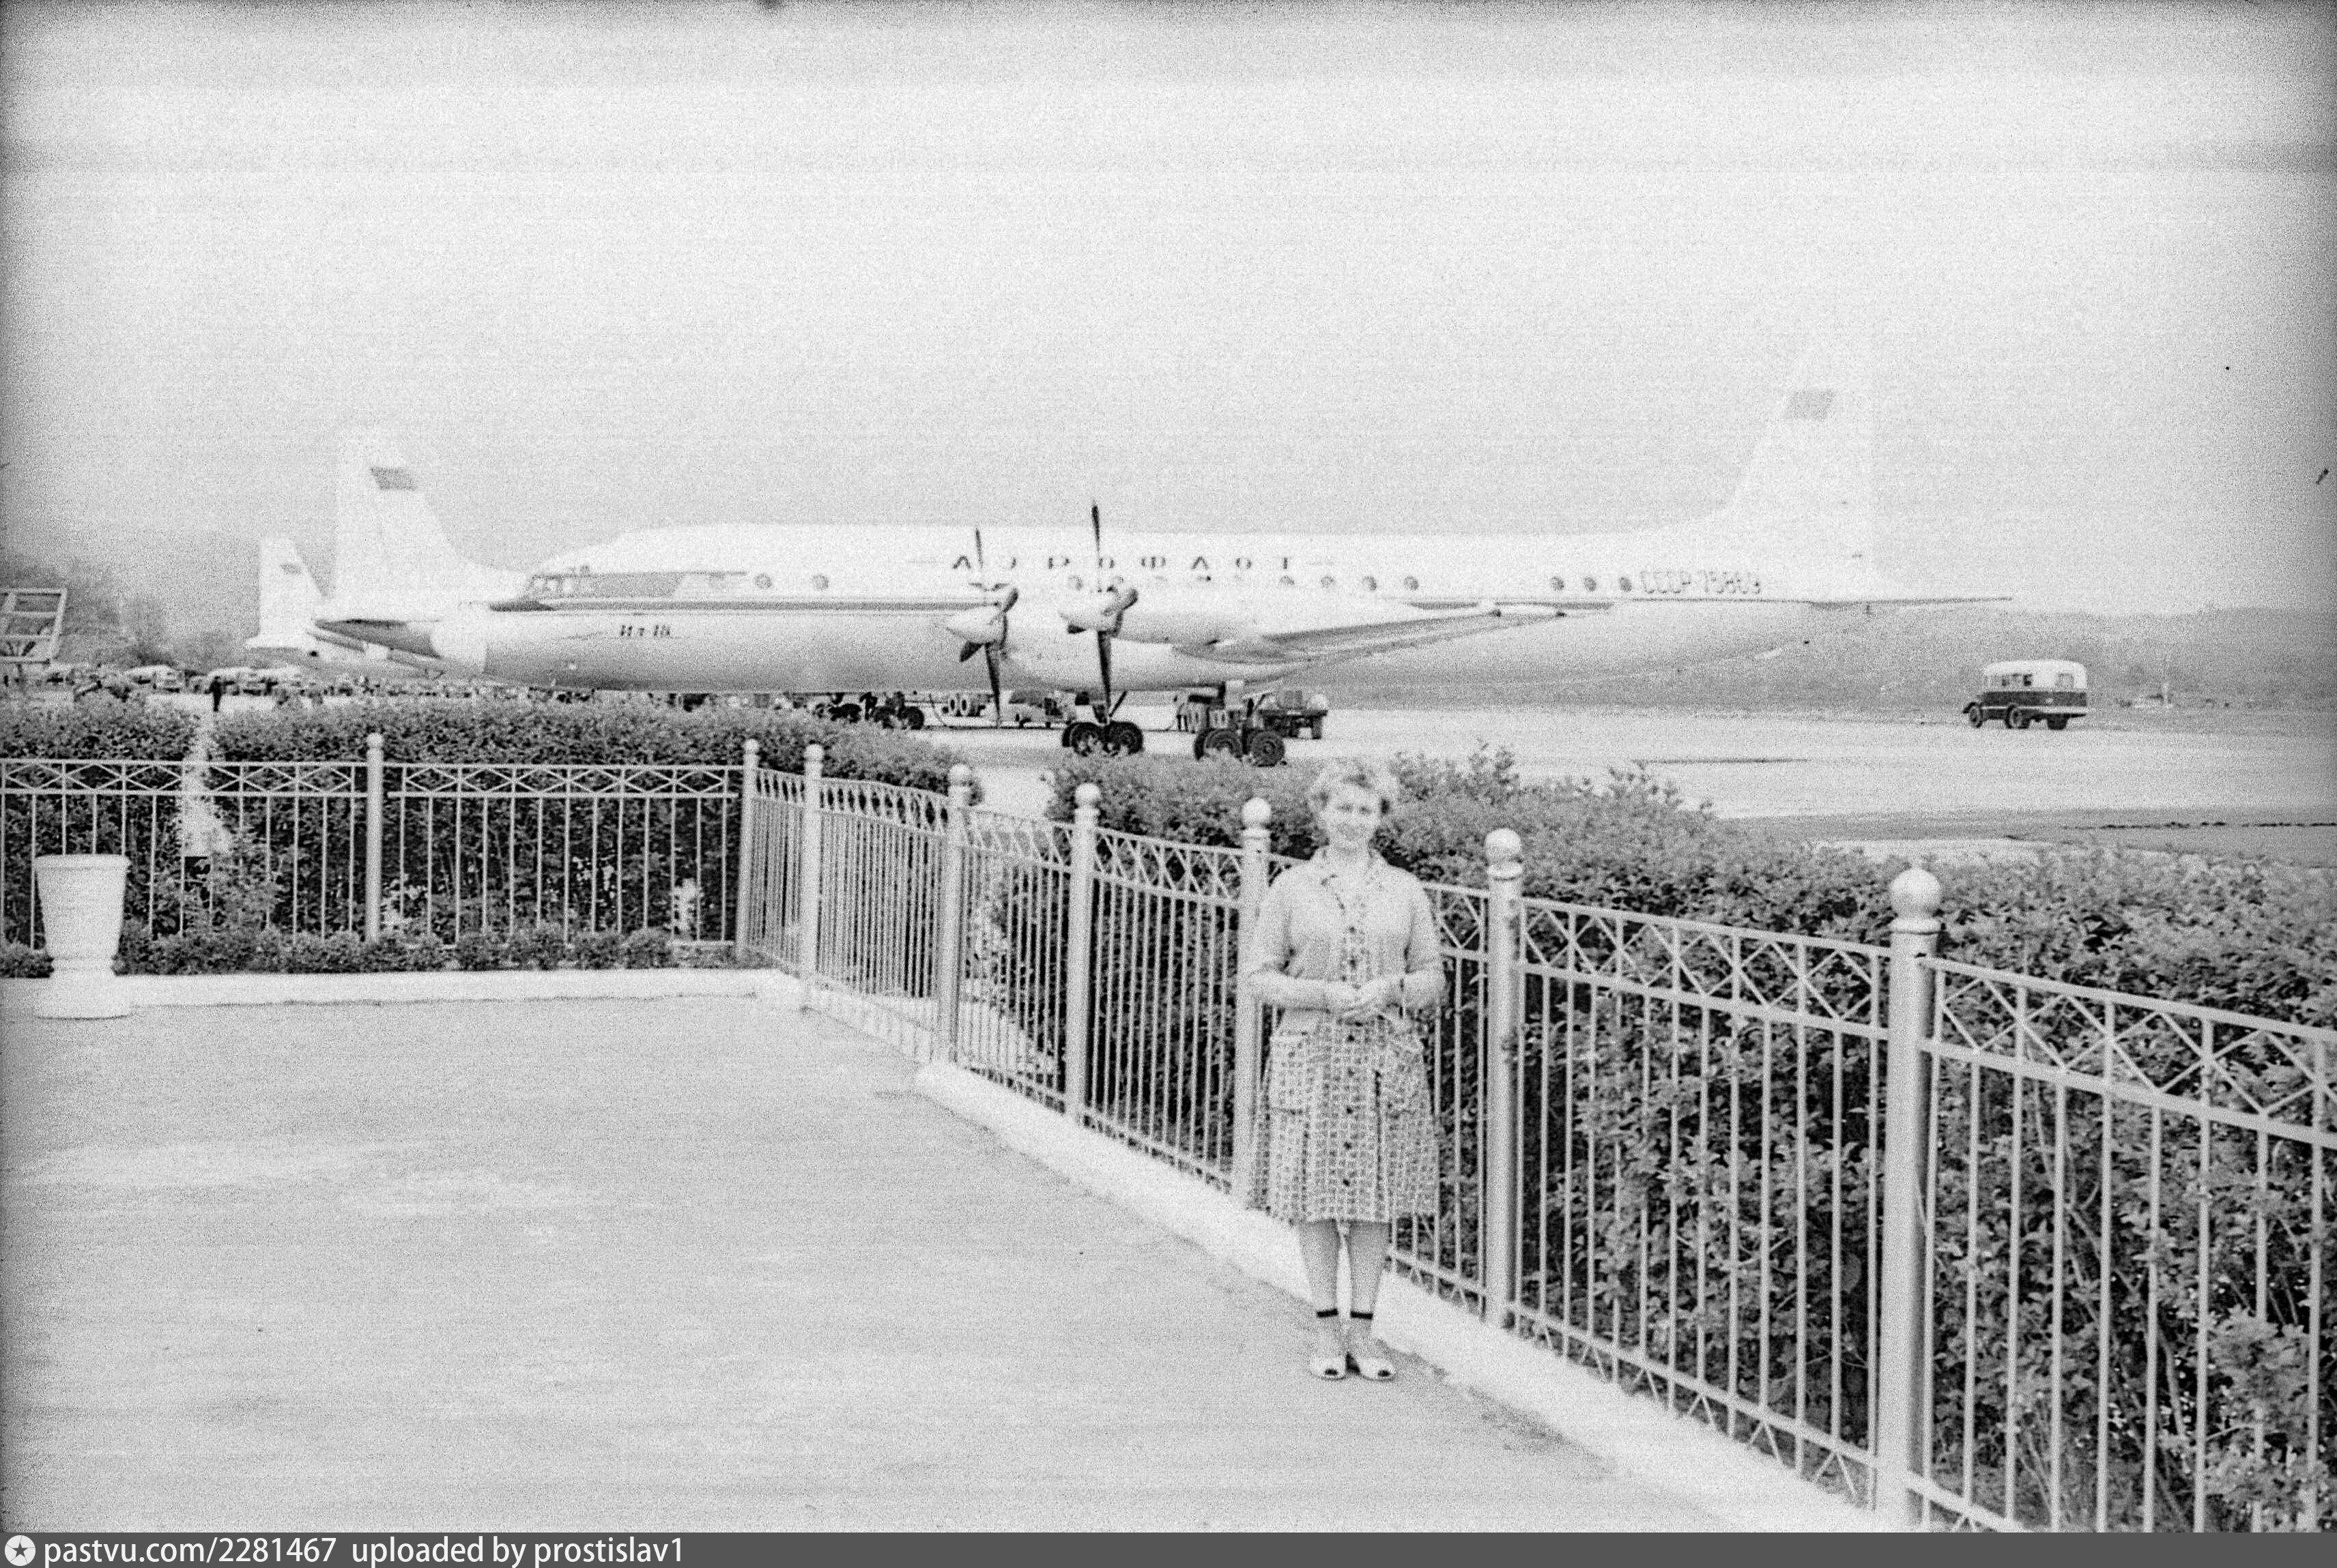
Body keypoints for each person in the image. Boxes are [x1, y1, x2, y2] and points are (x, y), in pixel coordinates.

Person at [1242, 758, 1443, 1382]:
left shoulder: (1405, 890)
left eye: (1365, 810)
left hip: (1383, 1060)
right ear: (1322, 812)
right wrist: (1322, 994)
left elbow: (1432, 977)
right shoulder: (1292, 888)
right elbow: (1259, 976)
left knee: (1377, 1198)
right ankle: (1327, 1327)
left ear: (1380, 818)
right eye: (1342, 808)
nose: (1353, 820)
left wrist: (1391, 988)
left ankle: (1365, 1330)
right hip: (1314, 1056)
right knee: (1316, 1195)